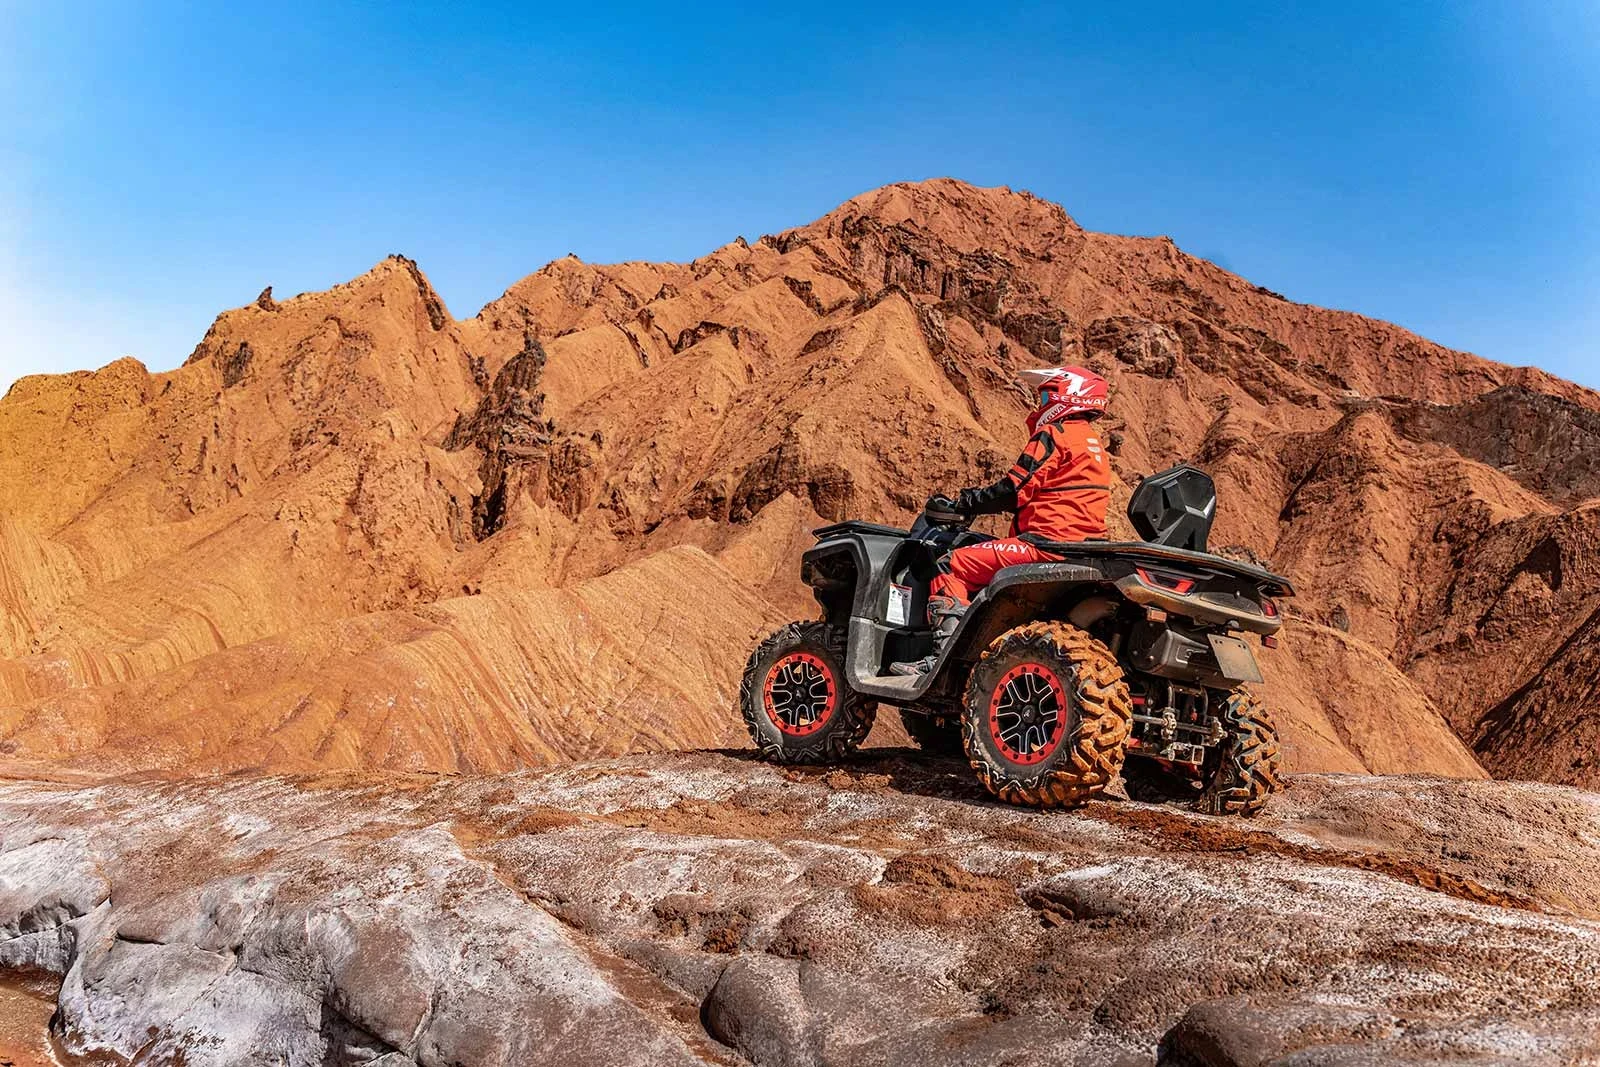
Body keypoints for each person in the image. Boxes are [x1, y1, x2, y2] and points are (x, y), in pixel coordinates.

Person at [890, 365, 1112, 676]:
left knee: (950, 564)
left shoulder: (1054, 435)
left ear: (1069, 396)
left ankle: (939, 663)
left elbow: (1013, 490)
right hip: (1079, 548)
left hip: (1043, 544)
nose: (1040, 404)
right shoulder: (1094, 444)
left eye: (1046, 396)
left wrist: (966, 503)